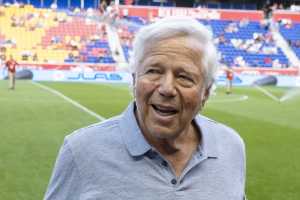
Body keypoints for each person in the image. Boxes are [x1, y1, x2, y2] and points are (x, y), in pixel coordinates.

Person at [44, 17, 246, 200]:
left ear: (206, 93)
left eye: (184, 77)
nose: (167, 89)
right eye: (153, 71)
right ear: (134, 81)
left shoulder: (231, 146)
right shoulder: (81, 151)